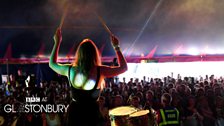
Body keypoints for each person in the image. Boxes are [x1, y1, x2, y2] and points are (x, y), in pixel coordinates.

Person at [49, 28, 128, 126]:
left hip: (75, 114)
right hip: (92, 115)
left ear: (79, 53)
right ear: (94, 54)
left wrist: (57, 42)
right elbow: (124, 68)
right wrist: (116, 47)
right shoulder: (100, 70)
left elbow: (52, 64)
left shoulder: (70, 70)